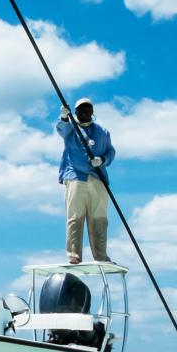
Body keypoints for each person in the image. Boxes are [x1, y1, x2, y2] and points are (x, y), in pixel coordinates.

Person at [57, 97, 115, 264]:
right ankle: (74, 255)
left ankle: (101, 255)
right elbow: (61, 129)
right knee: (75, 216)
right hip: (75, 175)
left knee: (99, 218)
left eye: (87, 109)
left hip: (98, 177)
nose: (84, 112)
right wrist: (63, 116)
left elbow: (111, 152)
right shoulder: (71, 128)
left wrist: (102, 160)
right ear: (75, 112)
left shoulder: (102, 131)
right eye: (81, 109)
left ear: (92, 112)